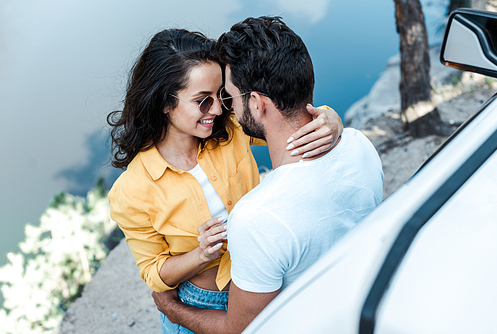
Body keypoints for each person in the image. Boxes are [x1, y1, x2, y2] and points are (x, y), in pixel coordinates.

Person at [151, 16, 384, 334]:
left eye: (229, 96)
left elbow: (240, 330)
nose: (224, 109)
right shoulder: (359, 145)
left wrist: (176, 312)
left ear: (257, 104)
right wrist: (331, 117)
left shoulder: (256, 219)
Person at [107, 28, 343, 333]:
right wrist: (201, 254)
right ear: (165, 102)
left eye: (220, 95)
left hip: (264, 281)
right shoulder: (131, 191)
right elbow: (154, 273)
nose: (219, 109)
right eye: (203, 101)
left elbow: (287, 122)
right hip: (202, 303)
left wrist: (328, 119)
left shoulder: (231, 128)